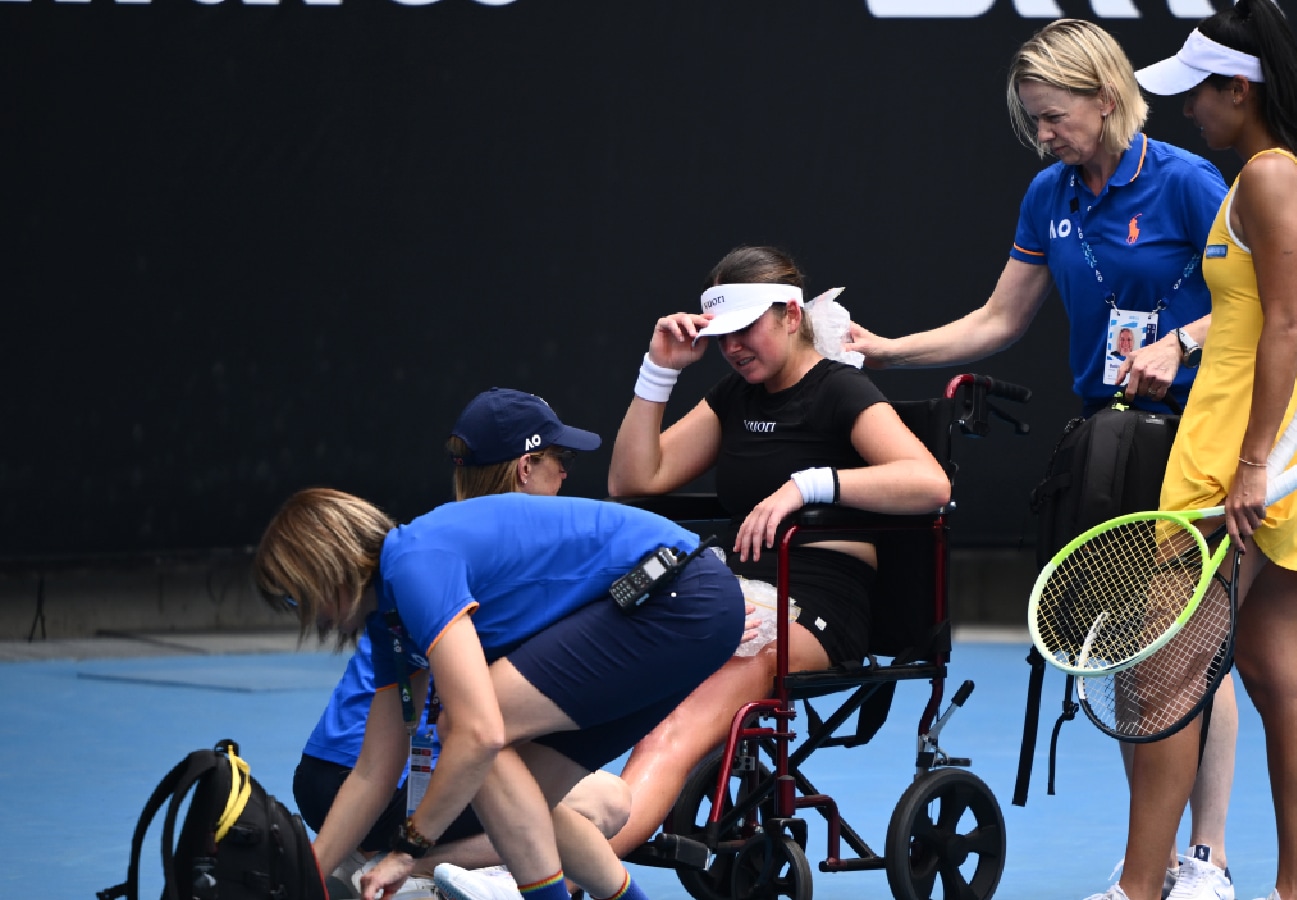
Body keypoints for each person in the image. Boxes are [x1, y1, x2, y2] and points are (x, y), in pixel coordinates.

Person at [842, 19, 1240, 899]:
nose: (1044, 135)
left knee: (1185, 646)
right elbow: (998, 320)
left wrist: (1181, 340)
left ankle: (1202, 862)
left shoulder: (1187, 183)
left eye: (1055, 117)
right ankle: (1157, 859)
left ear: (1107, 98)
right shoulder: (1048, 194)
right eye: (1033, 120)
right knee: (1141, 654)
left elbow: (1262, 298)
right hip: (1106, 441)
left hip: (1195, 434)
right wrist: (886, 349)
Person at [1093, 3, 1297, 900]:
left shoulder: (1267, 177)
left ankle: (1139, 888)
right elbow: (1263, 319)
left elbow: (1288, 325)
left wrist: (1252, 464)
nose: (1187, 112)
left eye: (1198, 95)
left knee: (1165, 672)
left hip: (1246, 454)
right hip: (1272, 441)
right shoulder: (1278, 175)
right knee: (1275, 674)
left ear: (1238, 89)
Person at [600, 244, 952, 861]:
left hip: (814, 607)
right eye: (724, 336)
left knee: (670, 737)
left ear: (791, 315)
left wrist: (807, 484)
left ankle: (556, 877)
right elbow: (635, 479)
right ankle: (515, 846)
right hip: (726, 596)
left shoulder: (840, 391)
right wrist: (659, 370)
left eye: (746, 330)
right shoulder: (734, 399)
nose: (733, 348)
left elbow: (930, 484)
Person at [253, 486, 744, 900]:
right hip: (682, 604)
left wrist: (409, 850)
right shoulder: (390, 621)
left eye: (296, 598)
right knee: (517, 796)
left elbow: (479, 732)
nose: (306, 618)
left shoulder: (413, 565)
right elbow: (372, 771)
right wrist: (305, 880)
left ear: (322, 567)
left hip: (678, 597)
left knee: (471, 737)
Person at [292, 388, 633, 899]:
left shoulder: (434, 546)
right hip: (392, 784)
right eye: (559, 460)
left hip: (327, 778)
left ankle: (363, 862)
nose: (565, 473)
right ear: (525, 467)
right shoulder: (516, 568)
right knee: (607, 801)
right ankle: (434, 873)